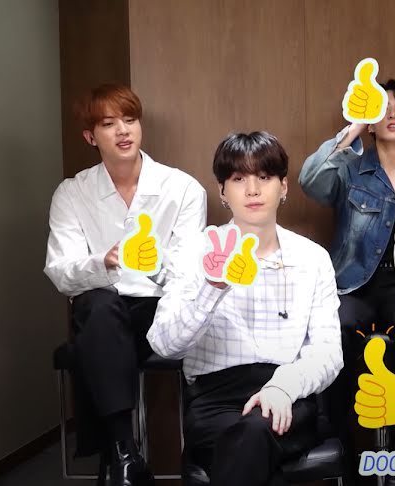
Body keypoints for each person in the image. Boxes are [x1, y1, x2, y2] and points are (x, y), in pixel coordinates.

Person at [147, 132, 342, 486]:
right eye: (238, 179)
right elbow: (164, 343)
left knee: (253, 434)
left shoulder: (312, 258)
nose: (252, 190)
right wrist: (212, 288)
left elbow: (329, 352)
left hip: (288, 394)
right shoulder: (194, 253)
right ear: (222, 191)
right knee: (247, 441)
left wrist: (283, 387)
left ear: (283, 187)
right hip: (215, 400)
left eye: (264, 177)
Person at [44, 84, 206, 485]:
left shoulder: (183, 189)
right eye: (108, 123)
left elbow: (188, 274)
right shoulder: (72, 193)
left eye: (130, 120)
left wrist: (154, 264)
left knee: (94, 333)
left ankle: (118, 461)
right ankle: (126, 453)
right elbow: (60, 272)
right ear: (90, 136)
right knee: (98, 308)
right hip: (102, 314)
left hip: (159, 312)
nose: (123, 131)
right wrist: (106, 261)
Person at [298, 79, 395, 446]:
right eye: (383, 108)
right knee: (340, 328)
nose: (392, 114)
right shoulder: (350, 169)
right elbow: (310, 180)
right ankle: (335, 434)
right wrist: (355, 127)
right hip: (354, 284)